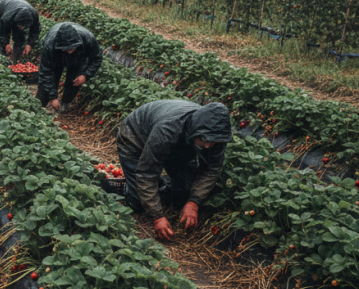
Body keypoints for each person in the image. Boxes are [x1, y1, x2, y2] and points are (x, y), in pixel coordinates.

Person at [114, 100, 232, 241]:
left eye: (213, 142)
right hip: (136, 136)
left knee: (185, 190)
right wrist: (157, 217)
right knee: (139, 202)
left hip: (178, 143)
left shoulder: (217, 133)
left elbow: (212, 168)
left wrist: (194, 202)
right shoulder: (167, 129)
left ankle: (159, 187)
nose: (208, 146)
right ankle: (127, 188)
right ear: (196, 129)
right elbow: (146, 173)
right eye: (205, 139)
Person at [36, 22, 102, 111]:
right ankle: (38, 107)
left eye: (71, 48)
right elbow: (46, 72)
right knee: (47, 83)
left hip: (78, 56)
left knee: (74, 80)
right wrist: (52, 97)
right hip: (56, 55)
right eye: (66, 49)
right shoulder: (50, 45)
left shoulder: (88, 39)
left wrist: (85, 75)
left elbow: (97, 59)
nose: (69, 51)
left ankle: (65, 104)